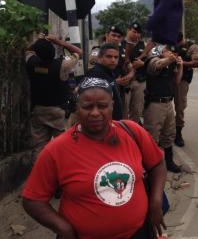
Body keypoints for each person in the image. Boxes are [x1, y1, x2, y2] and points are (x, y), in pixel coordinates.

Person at [22, 77, 168, 239]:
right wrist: (63, 228)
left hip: (139, 232)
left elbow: (157, 164)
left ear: (112, 106)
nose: (95, 112)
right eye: (87, 106)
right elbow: (32, 200)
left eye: (103, 106)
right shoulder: (56, 149)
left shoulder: (132, 131)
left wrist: (156, 202)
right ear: (77, 108)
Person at [25, 33, 82, 158]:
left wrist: (37, 41)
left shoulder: (31, 62)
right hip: (59, 111)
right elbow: (79, 52)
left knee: (39, 147)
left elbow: (27, 50)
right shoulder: (62, 64)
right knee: (63, 147)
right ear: (52, 50)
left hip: (38, 109)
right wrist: (59, 42)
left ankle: (39, 172)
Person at [144, 45, 184, 173]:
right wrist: (170, 59)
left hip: (168, 103)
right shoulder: (152, 61)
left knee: (169, 135)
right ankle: (150, 166)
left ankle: (169, 162)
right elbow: (158, 65)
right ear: (161, 51)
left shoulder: (170, 64)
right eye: (168, 51)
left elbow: (177, 81)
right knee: (152, 137)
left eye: (172, 51)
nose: (172, 53)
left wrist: (180, 65)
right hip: (155, 104)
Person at [121, 22, 152, 123]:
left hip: (139, 81)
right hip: (125, 82)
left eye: (138, 33)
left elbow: (151, 62)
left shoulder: (144, 45)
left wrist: (142, 63)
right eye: (134, 32)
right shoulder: (120, 44)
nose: (136, 34)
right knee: (124, 110)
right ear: (128, 30)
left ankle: (133, 132)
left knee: (137, 110)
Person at [173, 32, 198, 147]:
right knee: (162, 106)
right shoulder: (168, 44)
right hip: (167, 79)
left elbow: (195, 63)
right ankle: (167, 132)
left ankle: (178, 134)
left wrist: (181, 63)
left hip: (182, 81)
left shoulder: (192, 46)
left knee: (179, 107)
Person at [85, 43, 124, 121]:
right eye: (109, 56)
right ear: (99, 58)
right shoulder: (96, 74)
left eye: (116, 57)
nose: (113, 60)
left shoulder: (109, 72)